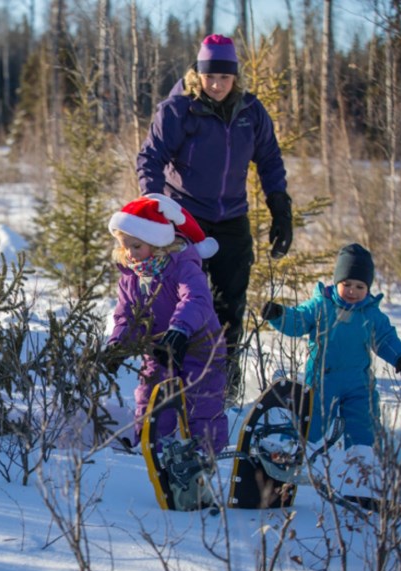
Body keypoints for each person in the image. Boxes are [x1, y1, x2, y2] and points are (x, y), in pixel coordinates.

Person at [136, 33, 293, 403]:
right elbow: (151, 159)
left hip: (232, 221)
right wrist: (155, 207)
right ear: (198, 74)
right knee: (180, 303)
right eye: (210, 77)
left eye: (224, 77)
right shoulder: (178, 110)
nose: (217, 84)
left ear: (235, 77)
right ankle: (168, 385)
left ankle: (224, 389)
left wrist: (280, 206)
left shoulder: (251, 113)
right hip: (184, 219)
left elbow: (269, 160)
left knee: (229, 308)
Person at [105, 194, 229, 456]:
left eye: (136, 246)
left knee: (201, 402)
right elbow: (127, 316)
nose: (130, 253)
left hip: (198, 346)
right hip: (159, 349)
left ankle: (206, 456)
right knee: (151, 398)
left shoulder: (183, 265)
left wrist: (179, 330)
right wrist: (118, 343)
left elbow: (196, 299)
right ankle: (152, 452)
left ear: (156, 242)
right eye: (124, 246)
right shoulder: (130, 276)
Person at [261, 243, 401, 449]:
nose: (352, 291)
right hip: (321, 381)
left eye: (360, 287)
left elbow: (386, 339)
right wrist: (279, 315)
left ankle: (361, 463)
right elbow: (298, 319)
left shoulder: (370, 314)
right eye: (347, 284)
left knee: (363, 425)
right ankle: (296, 455)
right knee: (310, 424)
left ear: (368, 288)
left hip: (358, 383)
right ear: (336, 283)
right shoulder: (321, 306)